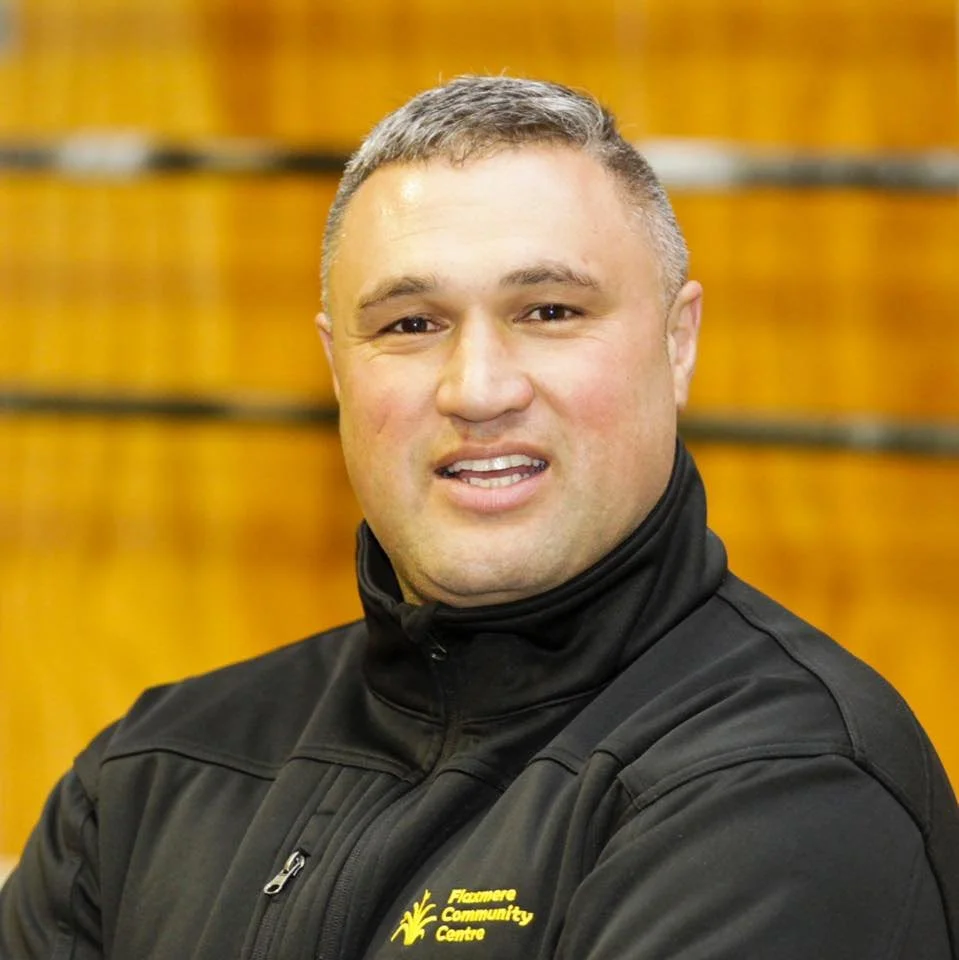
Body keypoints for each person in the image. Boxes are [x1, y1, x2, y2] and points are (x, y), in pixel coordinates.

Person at [1, 75, 957, 960]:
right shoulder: (152, 777)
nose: (478, 387)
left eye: (547, 310)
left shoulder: (785, 788)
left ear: (677, 343)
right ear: (338, 368)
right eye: (411, 325)